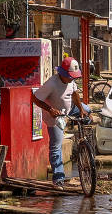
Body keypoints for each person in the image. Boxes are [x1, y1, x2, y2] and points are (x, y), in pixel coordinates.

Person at [32, 57, 90, 189]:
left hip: (70, 108)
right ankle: (58, 179)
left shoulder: (71, 81)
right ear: (62, 74)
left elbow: (74, 93)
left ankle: (81, 129)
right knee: (56, 146)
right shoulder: (51, 83)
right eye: (70, 76)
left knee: (88, 110)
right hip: (55, 116)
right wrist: (50, 109)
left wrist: (80, 109)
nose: (72, 79)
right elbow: (34, 98)